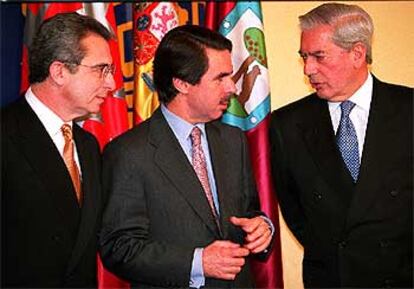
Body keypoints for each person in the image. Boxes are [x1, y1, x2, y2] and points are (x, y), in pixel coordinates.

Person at [99, 25, 273, 288]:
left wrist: (261, 227)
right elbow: (119, 248)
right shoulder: (128, 153)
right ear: (181, 84)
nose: (233, 88)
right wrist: (197, 262)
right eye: (221, 78)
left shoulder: (233, 140)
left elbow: (248, 212)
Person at [269, 3, 413, 288]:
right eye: (304, 57)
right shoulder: (287, 123)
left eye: (319, 56)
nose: (309, 68)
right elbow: (295, 210)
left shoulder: (408, 110)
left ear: (357, 53)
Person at [1, 12, 115, 287]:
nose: (111, 84)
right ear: (59, 71)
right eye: (101, 70)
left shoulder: (88, 147)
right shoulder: (5, 135)